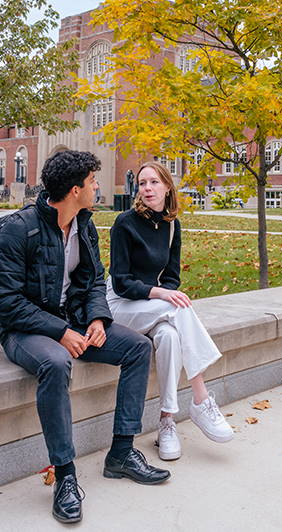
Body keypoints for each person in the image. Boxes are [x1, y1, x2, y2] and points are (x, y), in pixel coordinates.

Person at [0, 150, 170, 525]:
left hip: (73, 321)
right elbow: (3, 301)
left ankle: (121, 453)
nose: (97, 186)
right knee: (55, 363)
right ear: (74, 190)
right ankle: (65, 475)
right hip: (24, 329)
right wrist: (60, 331)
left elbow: (92, 282)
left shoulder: (84, 225)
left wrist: (98, 319)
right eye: (92, 181)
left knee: (136, 347)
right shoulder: (19, 229)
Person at [108, 161, 234, 461]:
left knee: (169, 337)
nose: (147, 189)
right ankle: (201, 398)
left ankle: (167, 420)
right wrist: (161, 293)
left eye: (154, 182)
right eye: (142, 183)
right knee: (177, 308)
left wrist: (166, 292)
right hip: (120, 305)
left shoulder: (171, 225)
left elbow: (173, 277)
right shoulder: (124, 223)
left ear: (167, 186)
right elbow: (122, 282)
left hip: (152, 307)